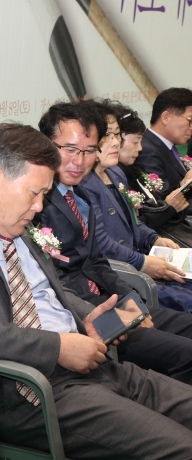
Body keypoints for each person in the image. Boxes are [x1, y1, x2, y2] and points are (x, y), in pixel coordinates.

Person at [0, 121, 192, 459]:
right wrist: (59, 347)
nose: (39, 207)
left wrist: (89, 316)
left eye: (44, 195)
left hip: (93, 368)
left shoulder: (14, 224)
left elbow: (51, 291)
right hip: (29, 393)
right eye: (35, 193)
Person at [36, 100, 192, 384]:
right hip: (82, 314)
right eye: (70, 149)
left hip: (111, 301)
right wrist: (110, 314)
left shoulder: (79, 196)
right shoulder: (36, 203)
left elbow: (97, 261)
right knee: (185, 354)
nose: (79, 161)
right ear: (46, 145)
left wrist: (131, 301)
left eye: (88, 151)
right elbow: (52, 282)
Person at [80, 100, 192, 312]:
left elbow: (133, 221)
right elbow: (101, 243)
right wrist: (142, 262)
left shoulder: (116, 173)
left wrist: (154, 239)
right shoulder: (84, 184)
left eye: (117, 135)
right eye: (107, 136)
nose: (115, 143)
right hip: (121, 275)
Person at [116, 104, 192, 247]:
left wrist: (182, 189)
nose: (140, 148)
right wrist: (168, 208)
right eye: (135, 142)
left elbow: (159, 203)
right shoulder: (115, 178)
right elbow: (128, 228)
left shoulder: (134, 170)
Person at [135, 87, 192, 211]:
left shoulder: (167, 147)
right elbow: (161, 200)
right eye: (190, 120)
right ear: (166, 117)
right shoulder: (146, 150)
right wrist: (184, 184)